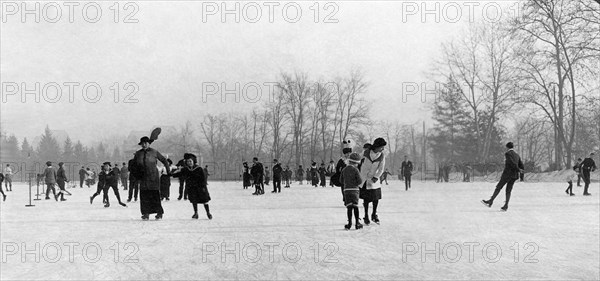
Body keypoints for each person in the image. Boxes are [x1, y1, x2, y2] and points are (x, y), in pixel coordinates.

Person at [132, 136, 170, 220]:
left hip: (153, 177)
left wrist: (168, 171)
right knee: (144, 195)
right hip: (143, 177)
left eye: (146, 143)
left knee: (154, 194)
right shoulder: (138, 154)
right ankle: (146, 213)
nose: (144, 145)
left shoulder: (154, 152)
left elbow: (164, 160)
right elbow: (133, 165)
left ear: (149, 143)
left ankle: (159, 213)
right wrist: (135, 175)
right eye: (142, 143)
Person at [481, 142, 524, 211]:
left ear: (507, 147)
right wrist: (521, 176)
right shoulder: (517, 155)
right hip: (514, 176)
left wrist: (518, 169)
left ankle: (490, 201)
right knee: (508, 190)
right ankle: (505, 205)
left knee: (498, 187)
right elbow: (522, 166)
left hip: (507, 174)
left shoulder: (507, 154)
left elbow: (511, 163)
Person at [172, 153, 212, 219]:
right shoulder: (186, 169)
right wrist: (171, 174)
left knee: (204, 200)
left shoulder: (199, 169)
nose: (189, 163)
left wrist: (203, 187)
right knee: (194, 200)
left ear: (193, 161)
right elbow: (179, 174)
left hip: (200, 187)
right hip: (191, 187)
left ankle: (208, 213)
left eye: (190, 161)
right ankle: (196, 213)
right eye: (188, 161)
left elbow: (203, 179)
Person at [359, 138, 387, 225]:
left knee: (376, 198)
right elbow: (358, 160)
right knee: (366, 199)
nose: (382, 149)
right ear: (377, 146)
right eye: (381, 147)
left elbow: (381, 169)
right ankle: (366, 216)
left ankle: (374, 214)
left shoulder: (382, 156)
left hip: (374, 180)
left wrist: (376, 177)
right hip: (364, 178)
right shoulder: (366, 152)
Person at [342, 152, 364, 230]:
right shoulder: (356, 170)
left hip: (346, 190)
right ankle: (357, 223)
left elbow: (341, 180)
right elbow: (360, 181)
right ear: (356, 163)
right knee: (355, 207)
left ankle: (349, 223)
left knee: (349, 207)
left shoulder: (344, 169)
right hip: (355, 190)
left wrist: (347, 182)